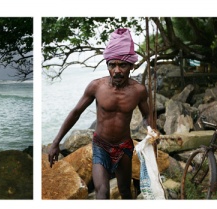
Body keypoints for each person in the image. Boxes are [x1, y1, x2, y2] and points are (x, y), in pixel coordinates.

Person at [48, 28, 150, 199]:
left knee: (125, 190)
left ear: (131, 66)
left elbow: (148, 115)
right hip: (101, 145)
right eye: (112, 65)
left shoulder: (138, 91)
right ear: (107, 66)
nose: (117, 70)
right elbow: (75, 112)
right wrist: (56, 142)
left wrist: (151, 132)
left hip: (124, 146)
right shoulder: (97, 87)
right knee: (102, 192)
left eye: (122, 65)